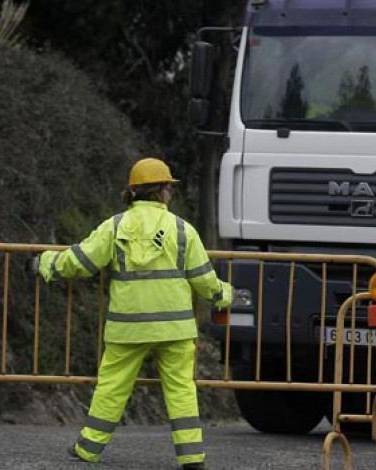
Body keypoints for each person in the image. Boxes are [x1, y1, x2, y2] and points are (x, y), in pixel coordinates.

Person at [36, 157, 232, 470]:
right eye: (170, 187)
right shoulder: (182, 230)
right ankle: (192, 457)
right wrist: (225, 295)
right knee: (181, 391)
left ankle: (88, 450)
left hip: (128, 329)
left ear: (133, 191)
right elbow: (203, 280)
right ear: (164, 190)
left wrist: (46, 264)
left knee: (112, 387)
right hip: (175, 330)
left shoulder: (115, 226)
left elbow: (82, 261)